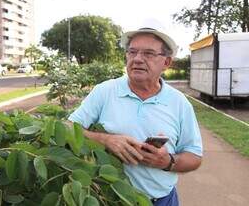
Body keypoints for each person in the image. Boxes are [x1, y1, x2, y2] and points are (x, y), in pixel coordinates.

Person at [68, 27, 203, 206]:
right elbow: (68, 127)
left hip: (161, 200)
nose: (138, 59)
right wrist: (105, 140)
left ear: (166, 62)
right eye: (132, 52)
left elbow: (194, 156)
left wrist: (167, 162)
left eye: (148, 53)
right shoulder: (105, 91)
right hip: (108, 200)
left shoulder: (179, 102)